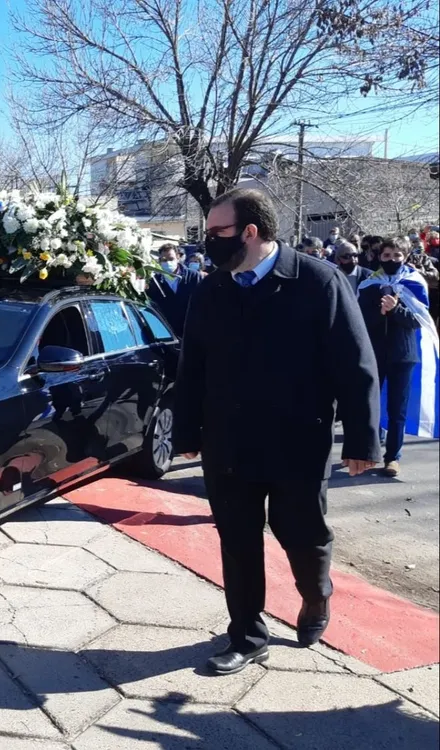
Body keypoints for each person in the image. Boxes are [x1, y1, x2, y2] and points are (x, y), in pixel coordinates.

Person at [173, 188, 380, 675]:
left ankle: (316, 594)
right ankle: (246, 635)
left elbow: (356, 365)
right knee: (238, 539)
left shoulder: (318, 281)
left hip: (297, 443)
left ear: (250, 232)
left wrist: (362, 439)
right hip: (228, 442)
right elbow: (193, 367)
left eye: (216, 233)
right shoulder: (213, 288)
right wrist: (186, 433)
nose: (208, 243)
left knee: (302, 535)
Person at [358, 238, 438, 477]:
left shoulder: (414, 283)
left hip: (403, 354)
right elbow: (360, 319)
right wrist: (378, 310)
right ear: (378, 257)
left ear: (404, 257)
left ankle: (392, 457)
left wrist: (395, 310)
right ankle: (368, 451)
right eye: (387, 255)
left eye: (396, 256)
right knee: (370, 404)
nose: (391, 260)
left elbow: (417, 321)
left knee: (397, 409)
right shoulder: (368, 284)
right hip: (374, 353)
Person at [146, 243, 203, 338]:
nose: (168, 262)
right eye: (163, 260)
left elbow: (203, 302)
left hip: (192, 332)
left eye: (171, 258)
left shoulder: (194, 276)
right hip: (167, 334)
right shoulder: (154, 281)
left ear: (178, 257)